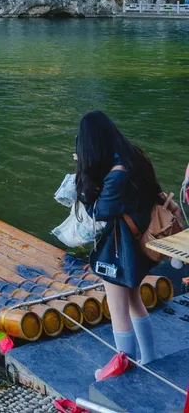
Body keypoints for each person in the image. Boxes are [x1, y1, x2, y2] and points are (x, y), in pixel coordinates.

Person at [74, 110, 162, 375]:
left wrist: (82, 178)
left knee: (118, 308)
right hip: (141, 240)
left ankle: (126, 367)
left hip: (120, 248)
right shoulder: (135, 156)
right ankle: (149, 357)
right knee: (134, 298)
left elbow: (101, 212)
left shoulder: (116, 174)